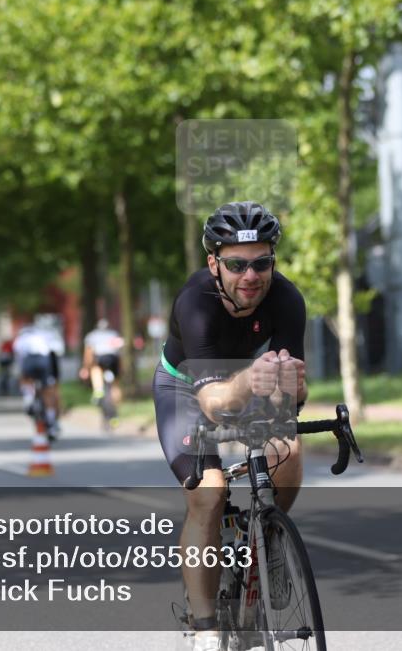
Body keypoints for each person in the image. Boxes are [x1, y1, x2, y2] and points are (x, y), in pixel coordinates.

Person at [152, 201, 307, 651]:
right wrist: (253, 380)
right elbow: (214, 404)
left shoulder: (287, 299)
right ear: (213, 263)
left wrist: (291, 388)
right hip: (187, 390)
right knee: (210, 493)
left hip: (247, 381)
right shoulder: (194, 304)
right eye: (237, 264)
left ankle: (270, 536)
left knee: (289, 451)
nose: (251, 276)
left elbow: (293, 395)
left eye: (262, 263)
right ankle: (205, 629)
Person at [13, 315, 65, 436]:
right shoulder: (49, 335)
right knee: (48, 392)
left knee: (26, 379)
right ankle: (52, 421)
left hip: (28, 360)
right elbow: (57, 352)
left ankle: (28, 398)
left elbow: (18, 355)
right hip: (44, 360)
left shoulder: (23, 337)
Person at [80, 318, 123, 405]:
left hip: (101, 358)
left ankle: (98, 389)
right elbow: (119, 352)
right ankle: (116, 405)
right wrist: (121, 367)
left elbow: (88, 353)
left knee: (95, 369)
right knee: (115, 384)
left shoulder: (92, 336)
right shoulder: (114, 334)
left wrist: (85, 367)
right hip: (113, 358)